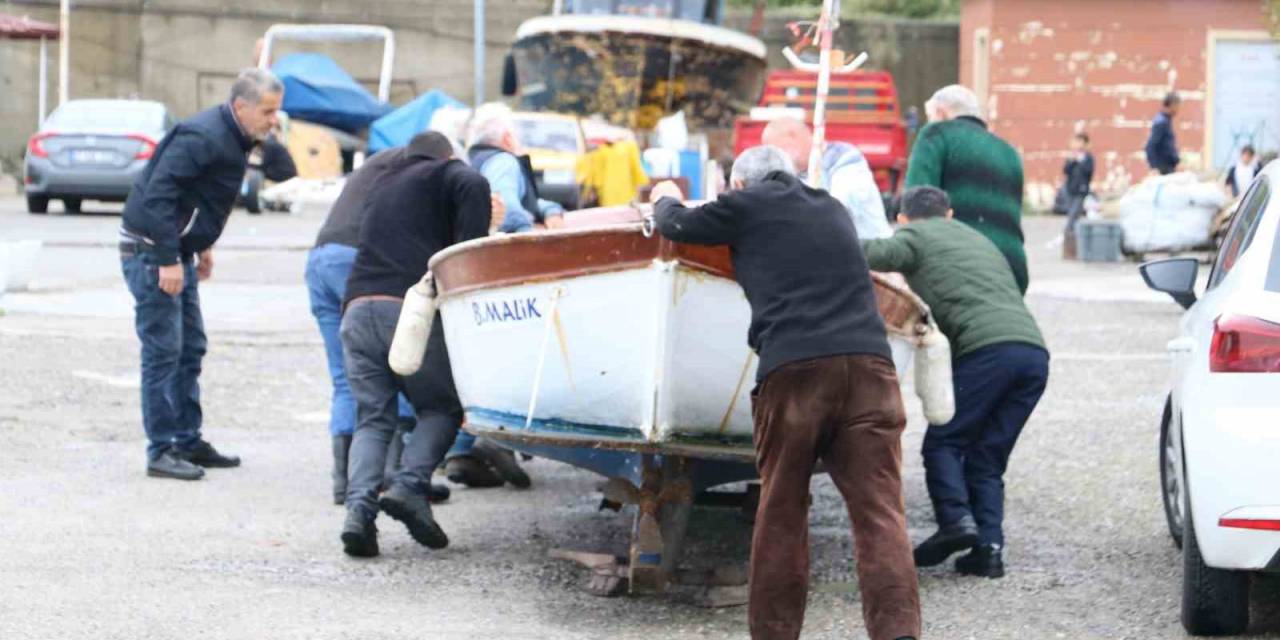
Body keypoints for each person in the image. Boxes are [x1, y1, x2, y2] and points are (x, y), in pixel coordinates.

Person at [650, 146, 920, 640]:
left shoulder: (747, 204)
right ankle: (898, 633)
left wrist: (663, 197)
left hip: (797, 372)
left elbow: (676, 225)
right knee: (880, 512)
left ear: (739, 185)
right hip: (871, 368)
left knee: (782, 512)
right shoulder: (832, 207)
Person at [862, 186, 1049, 579]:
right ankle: (988, 551)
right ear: (949, 213)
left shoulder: (912, 236)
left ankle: (955, 521)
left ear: (902, 219)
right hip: (1033, 354)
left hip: (987, 352)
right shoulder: (975, 237)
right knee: (987, 457)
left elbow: (866, 255)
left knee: (944, 441)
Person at [119, 68, 283, 481]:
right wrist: (169, 258)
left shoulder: (238, 136)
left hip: (178, 250)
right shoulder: (203, 136)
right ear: (240, 106)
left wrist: (200, 246)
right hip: (151, 251)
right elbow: (158, 195)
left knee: (191, 348)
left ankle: (187, 440)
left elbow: (203, 196)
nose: (273, 119)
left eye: (276, 111)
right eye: (267, 111)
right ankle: (161, 451)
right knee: (163, 352)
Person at [338, 132, 492, 558]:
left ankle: (358, 514)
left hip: (356, 309)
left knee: (373, 418)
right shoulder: (447, 173)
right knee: (442, 407)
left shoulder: (382, 182)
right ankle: (409, 487)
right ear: (448, 155)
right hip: (406, 312)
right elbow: (474, 199)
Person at [307, 135, 474, 505]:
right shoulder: (429, 176)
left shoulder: (385, 164)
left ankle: (348, 486)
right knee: (400, 370)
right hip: (364, 264)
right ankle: (399, 480)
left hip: (322, 260)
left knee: (348, 378)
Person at [905, 84, 1028, 294]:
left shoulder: (936, 134)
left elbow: (918, 202)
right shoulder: (1009, 152)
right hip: (1011, 267)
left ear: (941, 113)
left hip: (960, 265)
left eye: (930, 116)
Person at [761, 116, 892, 240]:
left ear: (793, 135)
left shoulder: (845, 156)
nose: (777, 158)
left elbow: (838, 207)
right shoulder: (792, 175)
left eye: (778, 150)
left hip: (874, 253)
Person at [1060, 132, 1094, 237]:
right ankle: (1074, 236)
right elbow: (1065, 170)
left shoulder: (1088, 158)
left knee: (1074, 214)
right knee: (1072, 213)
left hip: (1081, 190)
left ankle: (1067, 233)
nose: (1077, 144)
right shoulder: (1072, 157)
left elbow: (1089, 172)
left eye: (1080, 142)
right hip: (1070, 189)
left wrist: (1081, 161)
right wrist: (1073, 161)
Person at [1145, 92, 1181, 176]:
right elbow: (1150, 146)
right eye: (1178, 106)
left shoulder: (1166, 121)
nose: (1178, 109)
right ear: (1172, 104)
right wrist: (1154, 167)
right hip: (1162, 170)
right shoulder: (1161, 122)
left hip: (1168, 168)